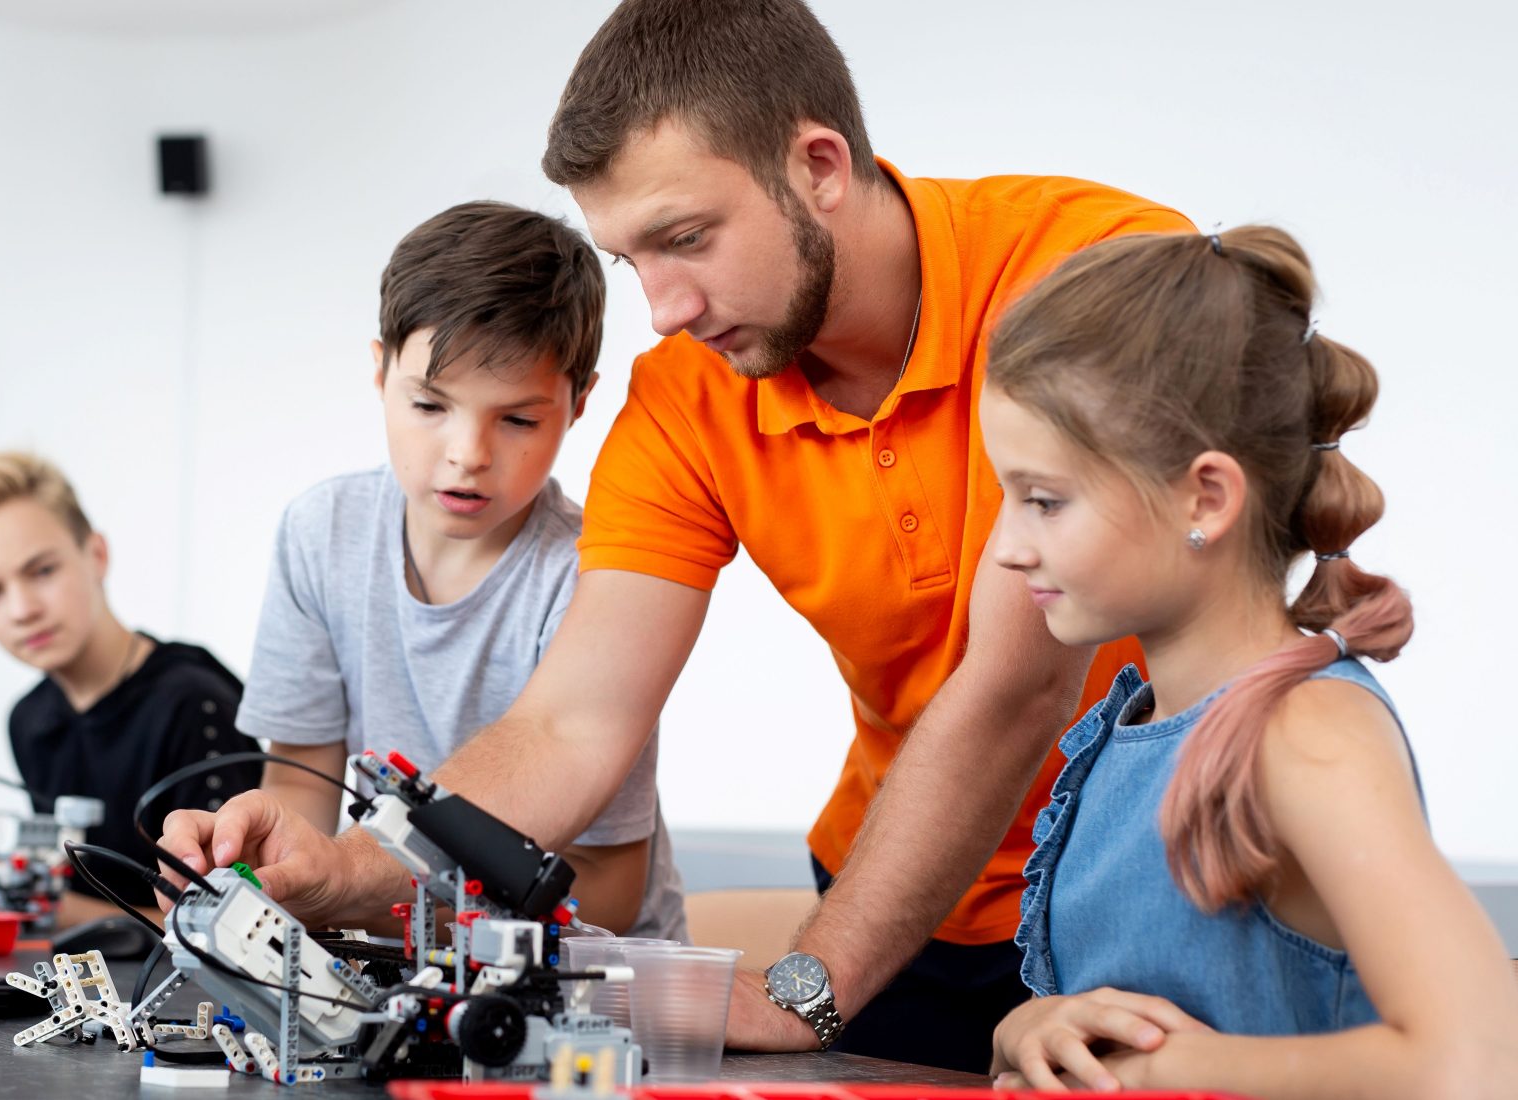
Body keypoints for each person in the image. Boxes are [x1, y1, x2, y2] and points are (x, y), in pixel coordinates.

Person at [159, 0, 1189, 1069]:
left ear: (820, 165)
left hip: (1144, 893)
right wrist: (346, 867)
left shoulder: (1097, 270)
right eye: (629, 258)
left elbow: (1017, 682)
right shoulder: (686, 399)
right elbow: (569, 726)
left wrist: (808, 982)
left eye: (686, 238)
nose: (662, 307)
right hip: (901, 909)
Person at [979, 226, 1518, 1096]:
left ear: (1206, 496)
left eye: (1044, 500)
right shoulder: (1135, 728)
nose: (1006, 548)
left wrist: (1176, 1072)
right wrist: (1028, 1027)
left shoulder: (1307, 733)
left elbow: (1478, 1063)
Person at [237, 201, 685, 940]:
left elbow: (606, 888)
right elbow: (299, 783)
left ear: (579, 402)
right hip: (395, 960)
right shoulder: (322, 535)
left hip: (589, 991)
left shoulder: (594, 575)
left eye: (517, 419)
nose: (467, 453)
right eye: (429, 405)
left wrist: (360, 902)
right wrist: (261, 879)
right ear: (379, 370)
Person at [0, 452, 261, 923]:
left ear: (97, 555)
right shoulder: (30, 720)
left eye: (42, 571)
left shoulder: (193, 702)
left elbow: (230, 922)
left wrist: (54, 911)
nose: (21, 609)